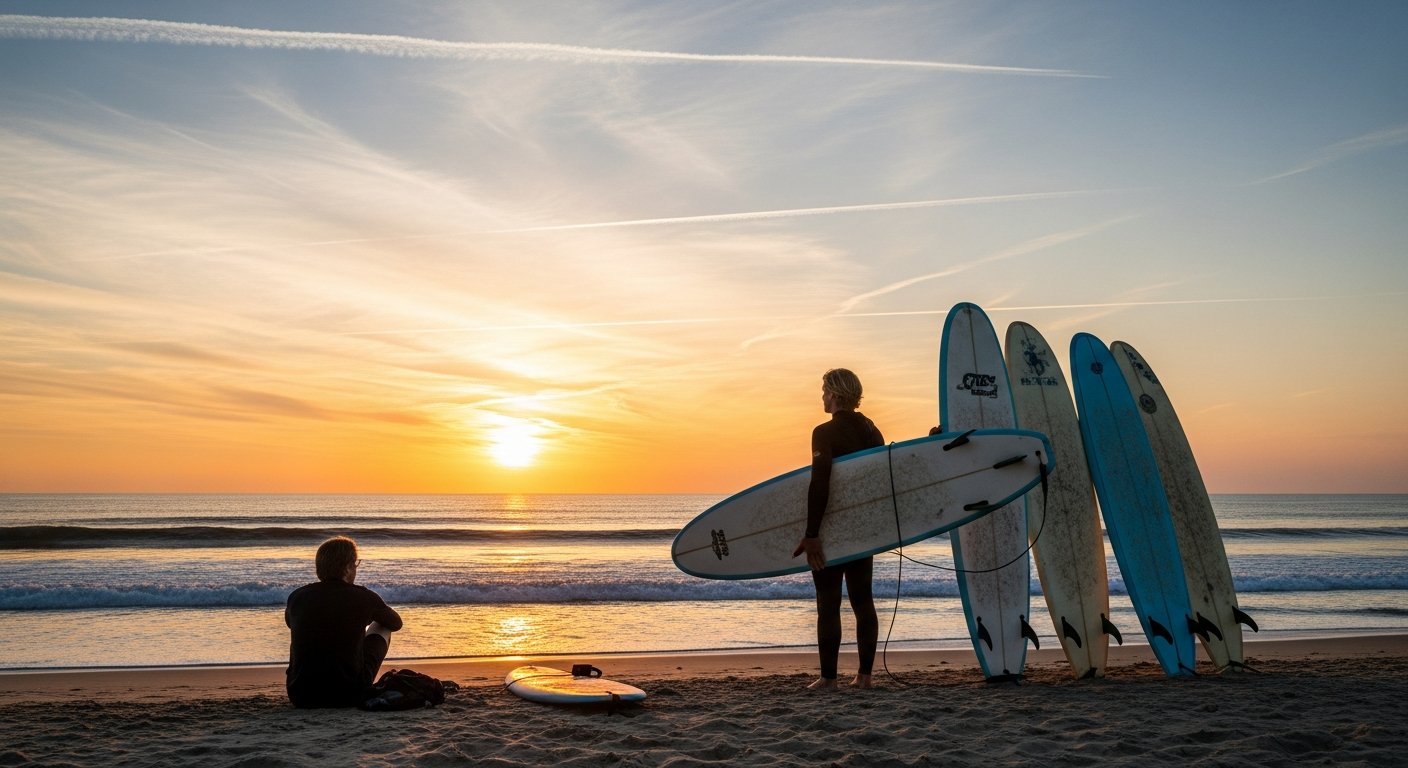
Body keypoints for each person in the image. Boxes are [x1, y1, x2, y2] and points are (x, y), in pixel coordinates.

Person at [792, 368, 884, 690]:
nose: (822, 396)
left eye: (824, 390)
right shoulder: (873, 431)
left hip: (832, 530)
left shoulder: (824, 432)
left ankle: (829, 679)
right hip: (861, 530)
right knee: (863, 601)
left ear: (833, 393)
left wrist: (812, 534)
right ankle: (865, 677)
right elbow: (876, 485)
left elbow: (820, 482)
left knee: (828, 603)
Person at [285, 536, 403, 708]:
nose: (355, 569)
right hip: (348, 694)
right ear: (348, 567)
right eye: (355, 564)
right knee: (382, 625)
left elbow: (291, 623)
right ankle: (357, 677)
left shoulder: (297, 596)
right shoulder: (364, 597)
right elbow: (396, 623)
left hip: (300, 695)